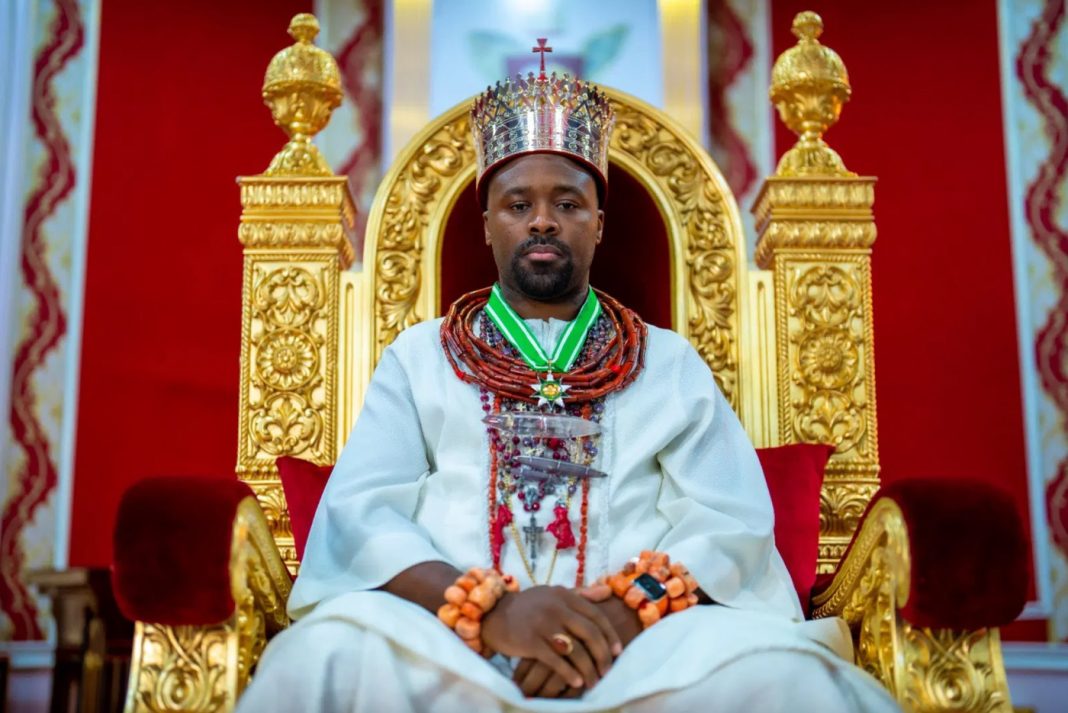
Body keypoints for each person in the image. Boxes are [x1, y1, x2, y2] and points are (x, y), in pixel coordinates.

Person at [237, 66, 901, 713]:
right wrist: (491, 613)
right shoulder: (420, 357)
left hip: (644, 643)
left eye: (567, 203)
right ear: (489, 223)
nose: (543, 221)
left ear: (598, 224)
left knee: (787, 678)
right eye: (519, 205)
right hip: (448, 641)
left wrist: (619, 615)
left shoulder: (667, 363)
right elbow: (362, 513)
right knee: (319, 656)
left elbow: (729, 522)